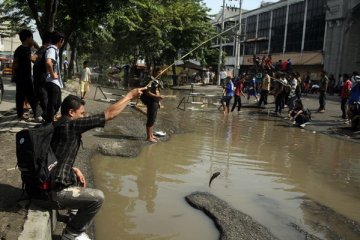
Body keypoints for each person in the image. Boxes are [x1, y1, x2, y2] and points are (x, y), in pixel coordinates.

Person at [50, 87, 144, 240]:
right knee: (97, 198)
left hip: (47, 183)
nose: (83, 116)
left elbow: (56, 155)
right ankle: (71, 233)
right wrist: (129, 96)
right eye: (81, 113)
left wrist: (74, 169)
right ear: (71, 113)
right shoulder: (71, 125)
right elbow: (109, 114)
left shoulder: (59, 124)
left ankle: (74, 215)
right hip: (54, 192)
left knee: (78, 177)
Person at [12, 29, 41, 121]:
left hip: (28, 76)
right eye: (31, 37)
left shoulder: (28, 48)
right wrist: (13, 75)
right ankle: (22, 114)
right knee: (22, 96)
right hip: (22, 77)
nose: (32, 39)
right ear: (28, 38)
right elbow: (15, 64)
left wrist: (33, 43)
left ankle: (36, 114)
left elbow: (39, 48)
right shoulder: (21, 50)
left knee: (30, 96)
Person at [45, 31, 65, 123]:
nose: (63, 43)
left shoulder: (54, 50)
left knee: (57, 103)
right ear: (60, 40)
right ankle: (48, 123)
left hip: (55, 82)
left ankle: (49, 120)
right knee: (53, 104)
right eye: (63, 41)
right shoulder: (52, 49)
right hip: (52, 81)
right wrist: (53, 74)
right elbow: (48, 62)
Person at [33, 31, 52, 120]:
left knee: (38, 96)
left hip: (38, 77)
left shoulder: (42, 49)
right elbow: (33, 58)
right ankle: (45, 117)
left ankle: (38, 115)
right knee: (44, 97)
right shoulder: (45, 49)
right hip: (41, 77)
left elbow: (33, 58)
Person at [143, 77, 163, 143]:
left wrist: (159, 102)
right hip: (151, 102)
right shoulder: (150, 81)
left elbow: (157, 91)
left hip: (155, 101)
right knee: (151, 118)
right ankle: (149, 137)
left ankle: (151, 135)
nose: (160, 74)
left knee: (153, 119)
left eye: (161, 72)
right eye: (159, 72)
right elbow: (147, 92)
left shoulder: (158, 81)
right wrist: (158, 97)